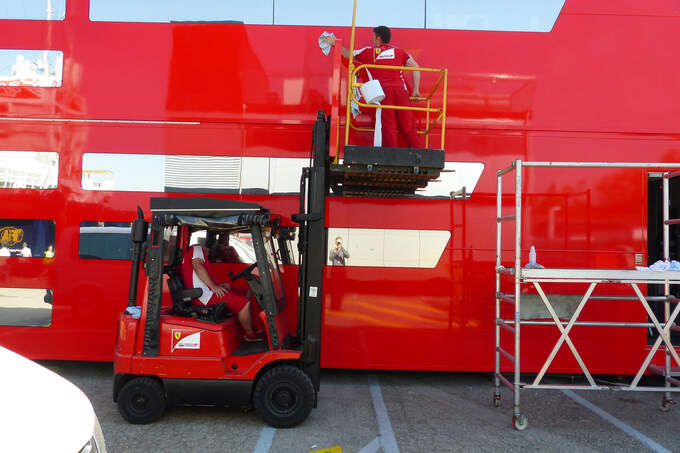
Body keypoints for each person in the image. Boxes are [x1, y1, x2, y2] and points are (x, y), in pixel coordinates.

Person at [323, 25, 422, 148]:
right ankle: (419, 153)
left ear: (378, 39)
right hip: (401, 91)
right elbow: (416, 67)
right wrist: (416, 90)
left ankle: (390, 156)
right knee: (408, 125)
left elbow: (348, 55)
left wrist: (335, 43)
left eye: (374, 37)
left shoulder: (369, 51)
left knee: (388, 126)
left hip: (384, 93)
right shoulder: (399, 51)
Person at [181, 243, 261, 341]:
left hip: (204, 293)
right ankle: (249, 335)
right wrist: (214, 287)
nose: (209, 250)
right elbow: (197, 266)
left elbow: (198, 278)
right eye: (207, 247)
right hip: (204, 297)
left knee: (245, 292)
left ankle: (246, 327)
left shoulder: (193, 254)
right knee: (244, 303)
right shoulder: (197, 248)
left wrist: (218, 286)